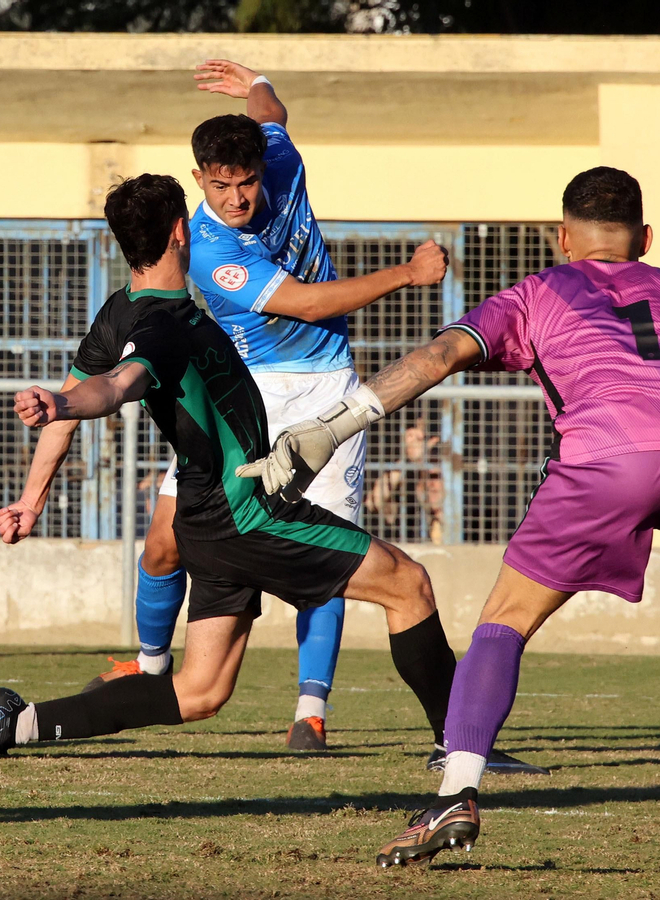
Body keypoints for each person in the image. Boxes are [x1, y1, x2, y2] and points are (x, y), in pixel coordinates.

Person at [239, 167, 660, 883]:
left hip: (607, 455)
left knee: (504, 619)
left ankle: (455, 796)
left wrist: (330, 427)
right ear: (646, 238)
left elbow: (441, 355)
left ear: (562, 237)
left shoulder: (537, 290)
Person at [0, 173, 458, 767]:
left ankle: (17, 724)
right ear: (182, 232)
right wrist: (65, 405)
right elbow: (115, 387)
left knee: (200, 692)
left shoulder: (121, 310)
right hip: (246, 513)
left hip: (206, 519)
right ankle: (462, 746)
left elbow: (81, 391)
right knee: (407, 583)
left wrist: (32, 500)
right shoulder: (166, 326)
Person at [59, 59, 451, 754]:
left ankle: (311, 710)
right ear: (199, 179)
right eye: (220, 185)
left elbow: (273, 114)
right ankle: (152, 670)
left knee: (330, 550)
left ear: (259, 168)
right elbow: (306, 301)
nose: (237, 197)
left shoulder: (280, 158)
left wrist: (256, 81)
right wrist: (408, 275)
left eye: (244, 183)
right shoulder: (209, 249)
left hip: (325, 386)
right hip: (249, 392)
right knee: (164, 539)